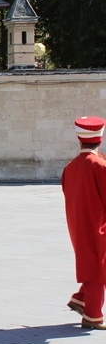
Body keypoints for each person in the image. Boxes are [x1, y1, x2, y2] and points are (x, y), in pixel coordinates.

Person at [62, 116, 106, 330]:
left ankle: (80, 298)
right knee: (99, 267)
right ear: (100, 138)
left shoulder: (70, 167)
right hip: (99, 225)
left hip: (77, 223)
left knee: (92, 263)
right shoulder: (100, 165)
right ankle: (93, 315)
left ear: (80, 140)